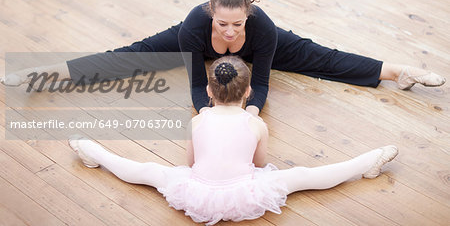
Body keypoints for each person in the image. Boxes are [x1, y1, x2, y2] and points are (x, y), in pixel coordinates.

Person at [1, 0, 445, 116]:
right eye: (223, 23)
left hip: (266, 46)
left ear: (248, 13)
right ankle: (41, 74)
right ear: (212, 12)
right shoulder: (194, 27)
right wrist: (206, 113)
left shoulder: (263, 28)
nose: (230, 31)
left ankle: (397, 71)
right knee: (129, 58)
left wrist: (251, 110)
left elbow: (265, 82)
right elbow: (197, 84)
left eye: (238, 23)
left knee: (318, 57)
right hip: (189, 40)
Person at [68, 56, 399, 225]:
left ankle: (94, 151)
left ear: (209, 92)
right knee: (303, 178)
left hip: (196, 193)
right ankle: (364, 164)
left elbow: (189, 165)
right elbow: (258, 165)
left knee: (148, 171)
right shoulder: (255, 124)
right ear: (249, 92)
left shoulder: (199, 120)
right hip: (245, 195)